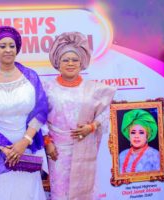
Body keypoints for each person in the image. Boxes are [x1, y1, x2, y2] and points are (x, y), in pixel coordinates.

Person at [0, 26, 48, 200]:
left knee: (29, 192)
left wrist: (25, 141)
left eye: (11, 46)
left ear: (17, 49)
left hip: (28, 148)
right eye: (2, 46)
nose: (8, 50)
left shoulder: (30, 76)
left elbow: (41, 109)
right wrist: (6, 149)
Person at [43, 32, 116, 200]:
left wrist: (92, 127)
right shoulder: (47, 89)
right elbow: (40, 118)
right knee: (61, 192)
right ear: (57, 63)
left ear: (81, 62)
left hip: (85, 149)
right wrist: (47, 143)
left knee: (85, 191)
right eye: (65, 60)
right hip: (58, 152)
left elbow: (106, 112)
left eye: (74, 60)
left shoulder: (93, 89)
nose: (70, 63)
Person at [119, 109, 160, 173]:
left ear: (147, 136)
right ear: (129, 135)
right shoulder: (122, 155)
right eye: (133, 132)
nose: (136, 136)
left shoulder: (155, 155)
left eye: (141, 132)